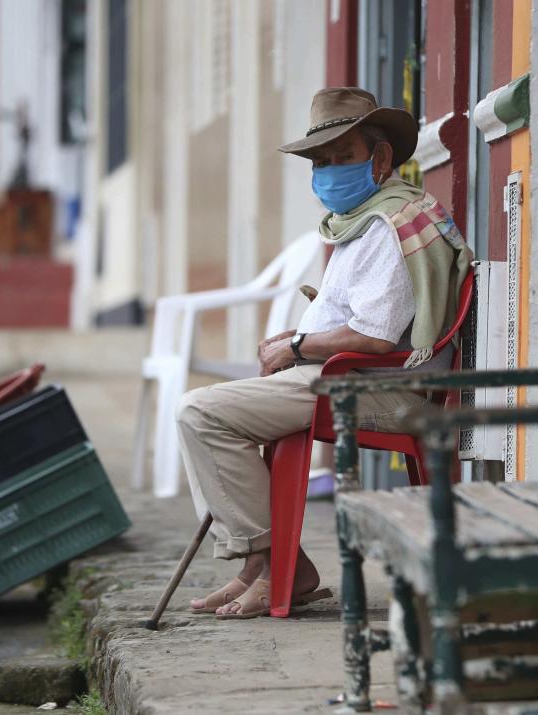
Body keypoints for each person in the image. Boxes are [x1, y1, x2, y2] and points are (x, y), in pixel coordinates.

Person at [178, 87, 472, 619]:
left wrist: (295, 346)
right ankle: (260, 568)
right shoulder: (361, 221)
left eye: (344, 158)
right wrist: (297, 341)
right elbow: (353, 320)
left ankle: (271, 564)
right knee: (215, 411)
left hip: (376, 387)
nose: (330, 171)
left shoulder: (391, 224)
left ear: (380, 159)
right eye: (322, 161)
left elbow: (377, 337)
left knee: (201, 413)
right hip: (338, 375)